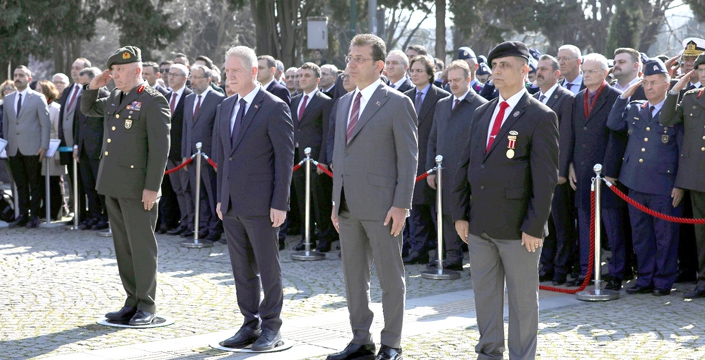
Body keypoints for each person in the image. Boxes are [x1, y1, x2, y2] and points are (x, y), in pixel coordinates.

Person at [451, 41, 558, 360]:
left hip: (518, 228)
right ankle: (488, 353)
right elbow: (466, 163)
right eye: (495, 66)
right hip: (480, 224)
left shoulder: (540, 115)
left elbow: (545, 178)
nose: (497, 71)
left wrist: (534, 226)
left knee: (523, 302)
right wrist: (459, 213)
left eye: (505, 66)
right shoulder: (483, 111)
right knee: (485, 297)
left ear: (525, 70)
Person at [327, 33, 417, 360]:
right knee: (353, 278)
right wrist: (337, 201)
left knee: (391, 278)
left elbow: (408, 159)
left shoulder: (397, 102)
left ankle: (391, 342)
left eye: (359, 58)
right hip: (348, 206)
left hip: (383, 208)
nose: (351, 63)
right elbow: (340, 155)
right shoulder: (342, 103)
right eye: (350, 57)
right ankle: (360, 339)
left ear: (379, 66)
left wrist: (401, 205)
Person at [81, 46, 170, 325]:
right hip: (113, 184)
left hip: (138, 187)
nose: (115, 75)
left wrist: (152, 188)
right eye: (113, 70)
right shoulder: (114, 97)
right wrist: (93, 87)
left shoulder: (153, 101)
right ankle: (131, 301)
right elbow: (88, 108)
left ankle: (147, 305)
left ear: (137, 70)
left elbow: (159, 149)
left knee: (142, 247)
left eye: (120, 70)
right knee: (123, 247)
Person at [214, 45, 294, 351]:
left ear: (252, 72)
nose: (229, 76)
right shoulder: (226, 107)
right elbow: (224, 157)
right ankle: (249, 323)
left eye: (235, 71)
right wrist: (223, 197)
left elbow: (284, 159)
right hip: (232, 202)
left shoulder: (273, 106)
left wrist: (280, 203)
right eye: (227, 70)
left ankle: (272, 327)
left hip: (262, 204)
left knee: (267, 266)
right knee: (241, 268)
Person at [607, 59, 683, 296]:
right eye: (646, 82)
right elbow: (613, 123)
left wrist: (680, 185)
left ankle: (663, 281)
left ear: (666, 84)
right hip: (635, 182)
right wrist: (625, 95)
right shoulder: (635, 108)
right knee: (641, 235)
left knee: (665, 236)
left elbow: (683, 151)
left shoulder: (676, 112)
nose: (649, 87)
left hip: (664, 184)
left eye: (654, 82)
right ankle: (645, 278)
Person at [562, 53, 625, 290]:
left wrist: (610, 172)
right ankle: (587, 270)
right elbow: (573, 135)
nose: (586, 75)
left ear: (604, 72)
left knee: (612, 226)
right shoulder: (578, 99)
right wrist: (570, 165)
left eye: (591, 71)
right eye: (585, 71)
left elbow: (617, 138)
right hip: (582, 171)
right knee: (586, 227)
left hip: (606, 174)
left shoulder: (616, 97)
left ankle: (617, 273)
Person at [426, 60, 487, 270]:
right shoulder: (443, 104)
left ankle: (476, 257)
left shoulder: (480, 104)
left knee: (469, 212)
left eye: (457, 80)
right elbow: (433, 138)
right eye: (449, 80)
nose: (452, 84)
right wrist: (430, 169)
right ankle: (452, 255)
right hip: (443, 170)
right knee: (444, 212)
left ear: (469, 79)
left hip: (467, 171)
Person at [661, 52, 705, 299]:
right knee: (701, 232)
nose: (704, 74)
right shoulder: (689, 97)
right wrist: (675, 89)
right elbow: (666, 118)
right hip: (698, 175)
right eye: (701, 70)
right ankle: (703, 280)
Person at [403, 55, 450, 266]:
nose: (415, 74)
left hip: (432, 161)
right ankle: (417, 250)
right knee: (414, 209)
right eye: (412, 70)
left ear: (430, 74)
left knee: (434, 210)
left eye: (419, 70)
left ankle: (442, 252)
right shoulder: (404, 97)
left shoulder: (441, 97)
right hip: (409, 161)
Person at [534, 54, 577, 285]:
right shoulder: (534, 98)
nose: (538, 72)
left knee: (562, 225)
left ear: (556, 74)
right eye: (537, 68)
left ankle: (561, 268)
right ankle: (546, 266)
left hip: (555, 174)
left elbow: (567, 136)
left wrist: (561, 171)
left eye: (544, 69)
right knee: (543, 224)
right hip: (536, 173)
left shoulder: (566, 98)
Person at [290, 62, 335, 252]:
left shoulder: (325, 101)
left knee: (319, 200)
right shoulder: (293, 101)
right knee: (301, 199)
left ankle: (324, 238)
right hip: (297, 159)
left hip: (316, 159)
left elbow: (327, 133)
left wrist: (323, 159)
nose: (301, 79)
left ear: (317, 80)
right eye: (300, 75)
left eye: (306, 76)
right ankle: (306, 236)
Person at [181, 64, 225, 241]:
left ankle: (215, 229)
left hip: (209, 157)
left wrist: (215, 158)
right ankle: (203, 226)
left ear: (208, 80)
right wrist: (185, 152)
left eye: (197, 77)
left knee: (212, 193)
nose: (193, 81)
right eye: (192, 77)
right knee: (197, 194)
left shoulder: (218, 99)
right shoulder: (189, 99)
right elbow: (186, 128)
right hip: (191, 156)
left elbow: (217, 132)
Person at [3, 65, 50, 228]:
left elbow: (45, 124)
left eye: (21, 75)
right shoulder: (8, 99)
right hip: (14, 149)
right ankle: (22, 215)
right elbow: (7, 126)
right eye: (15, 75)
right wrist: (7, 147)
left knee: (34, 183)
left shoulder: (38, 98)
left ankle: (35, 216)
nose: (17, 78)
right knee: (20, 184)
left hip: (33, 148)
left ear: (29, 79)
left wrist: (44, 146)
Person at [73, 67, 111, 230]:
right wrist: (76, 145)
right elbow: (78, 124)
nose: (83, 88)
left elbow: (108, 126)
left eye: (86, 85)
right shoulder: (81, 97)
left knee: (101, 186)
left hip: (99, 150)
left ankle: (106, 217)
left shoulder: (105, 97)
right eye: (81, 85)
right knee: (88, 185)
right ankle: (94, 215)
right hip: (84, 149)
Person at [59, 57, 91, 225]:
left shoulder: (89, 90)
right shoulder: (68, 90)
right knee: (73, 181)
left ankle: (89, 214)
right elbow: (62, 118)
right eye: (72, 67)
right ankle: (77, 213)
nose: (74, 71)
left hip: (83, 145)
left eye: (77, 68)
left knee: (86, 182)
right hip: (67, 146)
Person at [165, 63, 195, 238]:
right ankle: (183, 222)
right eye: (170, 73)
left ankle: (191, 224)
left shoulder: (189, 97)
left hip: (184, 153)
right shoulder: (166, 96)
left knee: (187, 190)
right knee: (177, 189)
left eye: (175, 74)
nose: (171, 77)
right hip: (169, 152)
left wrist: (186, 152)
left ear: (185, 78)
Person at [36, 80, 67, 220]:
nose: (37, 93)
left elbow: (59, 132)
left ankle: (57, 211)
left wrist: (58, 154)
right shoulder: (36, 107)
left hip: (53, 150)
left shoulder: (55, 108)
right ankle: (45, 209)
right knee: (42, 183)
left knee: (54, 183)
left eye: (40, 90)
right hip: (39, 151)